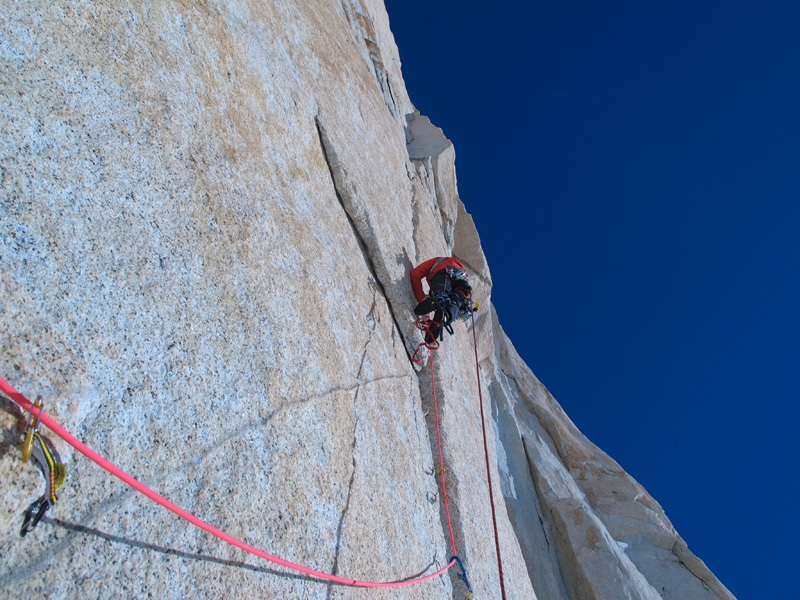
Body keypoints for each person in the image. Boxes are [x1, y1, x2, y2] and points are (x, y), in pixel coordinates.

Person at [410, 257, 473, 344]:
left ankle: (440, 299)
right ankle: (447, 314)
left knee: (440, 291)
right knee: (457, 299)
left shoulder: (434, 263)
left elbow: (415, 274)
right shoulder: (459, 267)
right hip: (462, 280)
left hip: (444, 268)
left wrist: (422, 299)